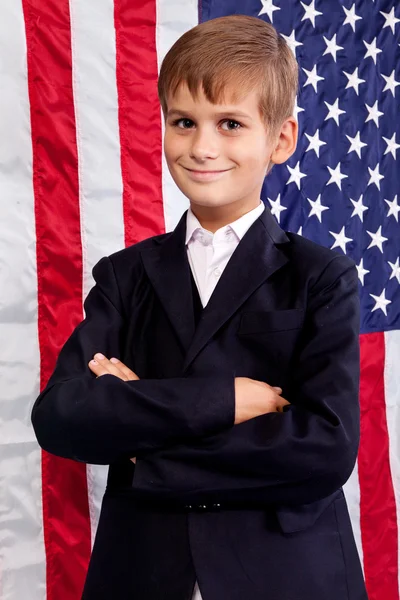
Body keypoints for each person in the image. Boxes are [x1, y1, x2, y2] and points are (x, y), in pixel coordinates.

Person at [31, 14, 368, 600]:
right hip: (142, 571)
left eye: (230, 124)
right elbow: (62, 416)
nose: (202, 147)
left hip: (286, 575)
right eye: (184, 122)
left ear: (280, 140)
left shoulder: (321, 278)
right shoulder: (124, 275)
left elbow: (323, 448)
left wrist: (141, 440)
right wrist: (226, 399)